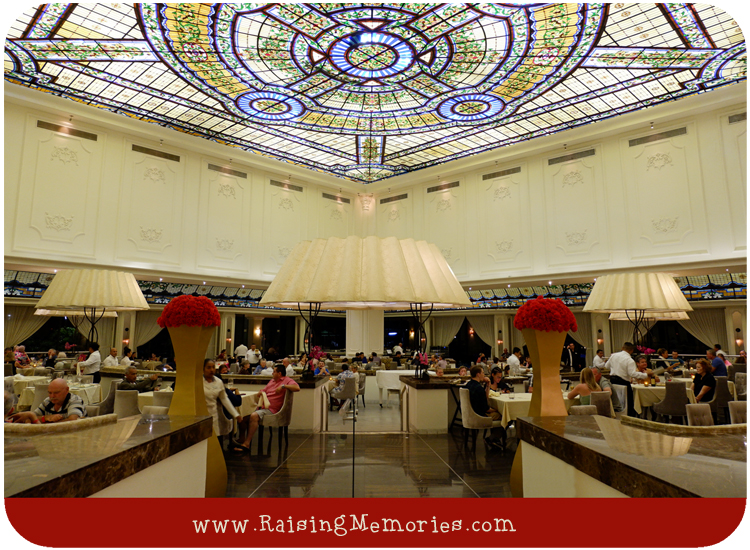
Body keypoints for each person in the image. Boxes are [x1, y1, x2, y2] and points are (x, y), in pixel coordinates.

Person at [231, 363, 299, 452]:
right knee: (244, 412)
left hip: (273, 409)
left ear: (279, 373)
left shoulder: (287, 380)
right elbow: (265, 390)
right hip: (263, 406)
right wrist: (261, 392)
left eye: (274, 372)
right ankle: (242, 438)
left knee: (254, 416)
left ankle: (247, 443)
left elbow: (297, 388)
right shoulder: (272, 381)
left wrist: (283, 386)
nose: (272, 373)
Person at [465, 366, 504, 448]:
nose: (484, 375)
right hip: (480, 415)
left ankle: (494, 439)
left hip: (471, 413)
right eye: (482, 373)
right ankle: (492, 438)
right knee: (505, 417)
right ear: (478, 374)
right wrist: (497, 409)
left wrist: (488, 385)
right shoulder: (479, 388)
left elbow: (484, 398)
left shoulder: (469, 384)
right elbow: (486, 408)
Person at [202, 359, 241, 439]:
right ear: (203, 369)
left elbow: (224, 399)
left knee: (215, 439)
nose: (211, 370)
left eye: (213, 367)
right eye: (208, 368)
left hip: (214, 415)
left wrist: (235, 414)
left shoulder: (219, 382)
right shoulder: (198, 381)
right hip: (201, 416)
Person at [607, 342, 649, 417]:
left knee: (615, 401)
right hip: (623, 382)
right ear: (632, 350)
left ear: (622, 348)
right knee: (628, 403)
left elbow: (606, 366)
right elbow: (632, 374)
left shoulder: (613, 356)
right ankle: (628, 418)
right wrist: (645, 375)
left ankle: (615, 416)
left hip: (613, 381)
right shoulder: (629, 360)